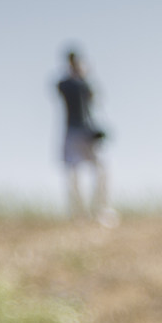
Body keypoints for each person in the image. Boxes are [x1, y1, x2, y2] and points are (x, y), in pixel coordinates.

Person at [55, 45, 115, 225]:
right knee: (73, 174)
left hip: (87, 132)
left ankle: (100, 210)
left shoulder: (86, 85)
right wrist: (80, 76)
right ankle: (78, 214)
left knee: (102, 169)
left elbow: (94, 103)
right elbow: (65, 88)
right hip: (73, 133)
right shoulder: (67, 84)